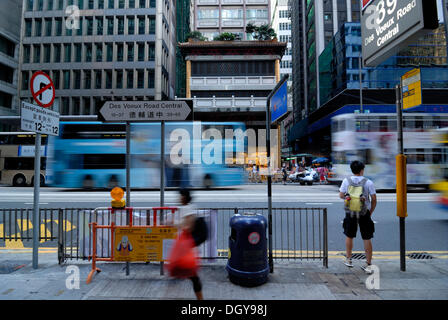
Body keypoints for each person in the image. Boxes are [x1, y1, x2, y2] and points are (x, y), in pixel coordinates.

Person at [339, 160, 377, 274]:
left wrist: (348, 197)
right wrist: (370, 212)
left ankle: (349, 260)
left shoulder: (346, 181)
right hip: (364, 212)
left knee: (349, 235)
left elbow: (341, 195)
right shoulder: (368, 182)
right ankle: (368, 264)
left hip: (350, 212)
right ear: (362, 170)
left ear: (352, 170)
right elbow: (374, 199)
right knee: (367, 238)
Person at [171, 189, 203, 300]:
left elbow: (188, 227)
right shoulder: (189, 207)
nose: (179, 198)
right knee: (189, 273)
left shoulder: (186, 208)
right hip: (186, 242)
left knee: (192, 274)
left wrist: (173, 224)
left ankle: (200, 299)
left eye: (180, 196)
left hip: (186, 242)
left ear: (184, 197)